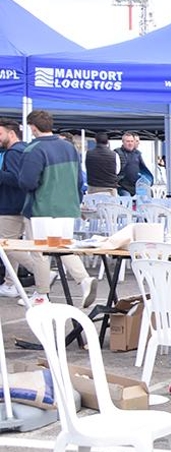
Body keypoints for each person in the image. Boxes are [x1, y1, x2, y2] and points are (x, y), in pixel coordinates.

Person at [14, 110, 97, 308]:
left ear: (33, 127)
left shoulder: (33, 149)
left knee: (41, 251)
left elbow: (27, 182)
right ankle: (83, 280)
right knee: (63, 247)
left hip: (41, 207)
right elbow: (79, 180)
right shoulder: (70, 148)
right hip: (67, 207)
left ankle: (42, 294)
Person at [0, 118, 33, 298]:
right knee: (11, 244)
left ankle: (39, 271)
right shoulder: (25, 150)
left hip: (10, 204)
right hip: (21, 204)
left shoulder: (13, 153)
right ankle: (10, 283)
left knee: (6, 244)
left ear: (11, 133)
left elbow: (15, 179)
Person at [84, 132, 120, 196]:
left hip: (93, 189)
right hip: (110, 190)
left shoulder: (87, 154)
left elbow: (84, 169)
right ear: (107, 141)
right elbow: (117, 171)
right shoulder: (115, 155)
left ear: (95, 141)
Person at [114, 131, 149, 197]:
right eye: (128, 141)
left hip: (136, 187)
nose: (130, 143)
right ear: (123, 142)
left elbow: (144, 170)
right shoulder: (117, 152)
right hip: (122, 186)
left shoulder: (138, 153)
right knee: (126, 201)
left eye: (132, 141)